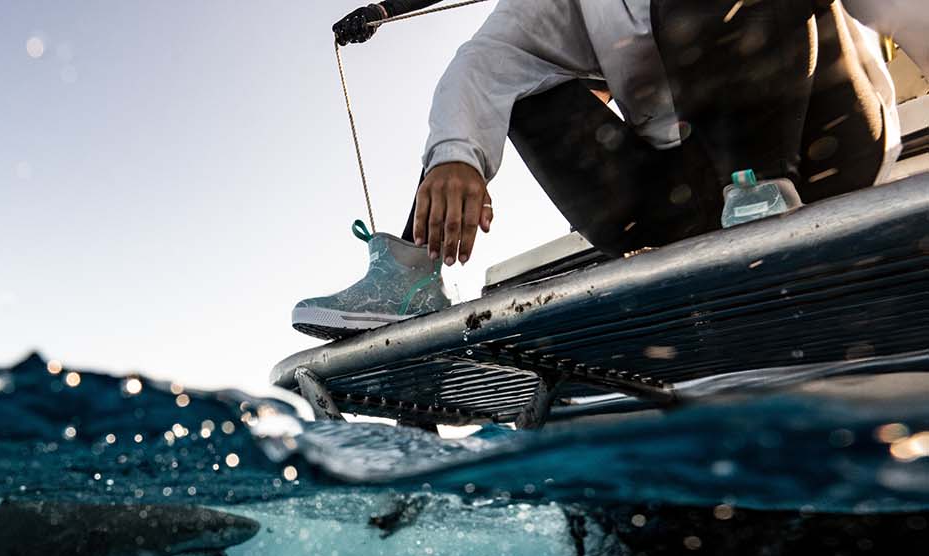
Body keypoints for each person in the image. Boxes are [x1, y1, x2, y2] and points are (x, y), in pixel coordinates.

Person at [293, 0, 928, 339]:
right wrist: (455, 157)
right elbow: (485, 59)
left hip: (827, 149)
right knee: (514, 78)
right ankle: (408, 280)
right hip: (682, 202)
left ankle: (759, 193)